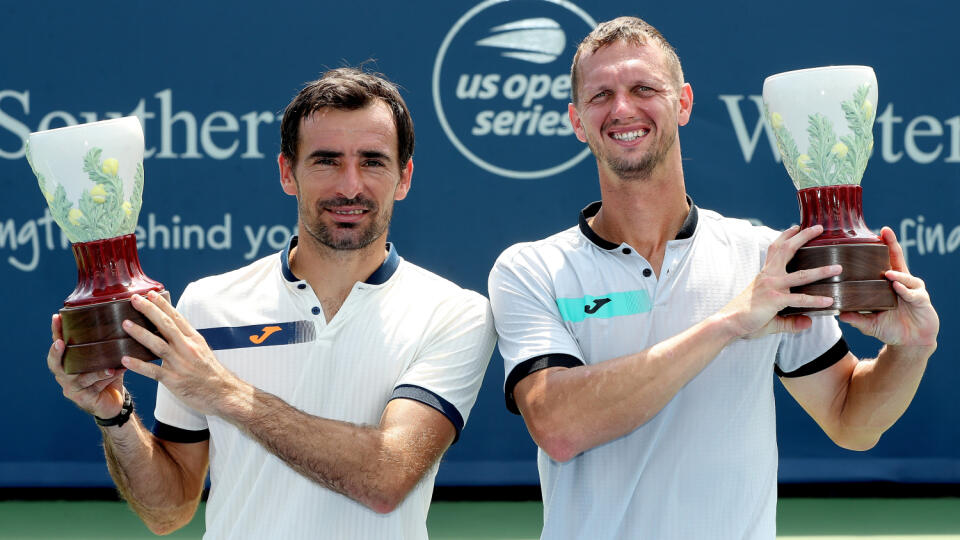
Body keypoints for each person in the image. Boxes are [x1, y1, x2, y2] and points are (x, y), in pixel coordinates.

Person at [487, 16, 939, 539]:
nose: (622, 109)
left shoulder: (764, 260)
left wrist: (911, 350)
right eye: (600, 96)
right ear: (576, 120)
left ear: (683, 103)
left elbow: (850, 420)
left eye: (643, 89)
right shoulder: (530, 269)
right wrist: (728, 322)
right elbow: (559, 427)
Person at [47, 67, 497, 539]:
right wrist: (113, 414)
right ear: (288, 172)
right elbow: (168, 511)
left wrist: (226, 393)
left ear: (403, 177)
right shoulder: (208, 303)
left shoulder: (454, 312)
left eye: (372, 161)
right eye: (325, 161)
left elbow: (386, 477)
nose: (349, 186)